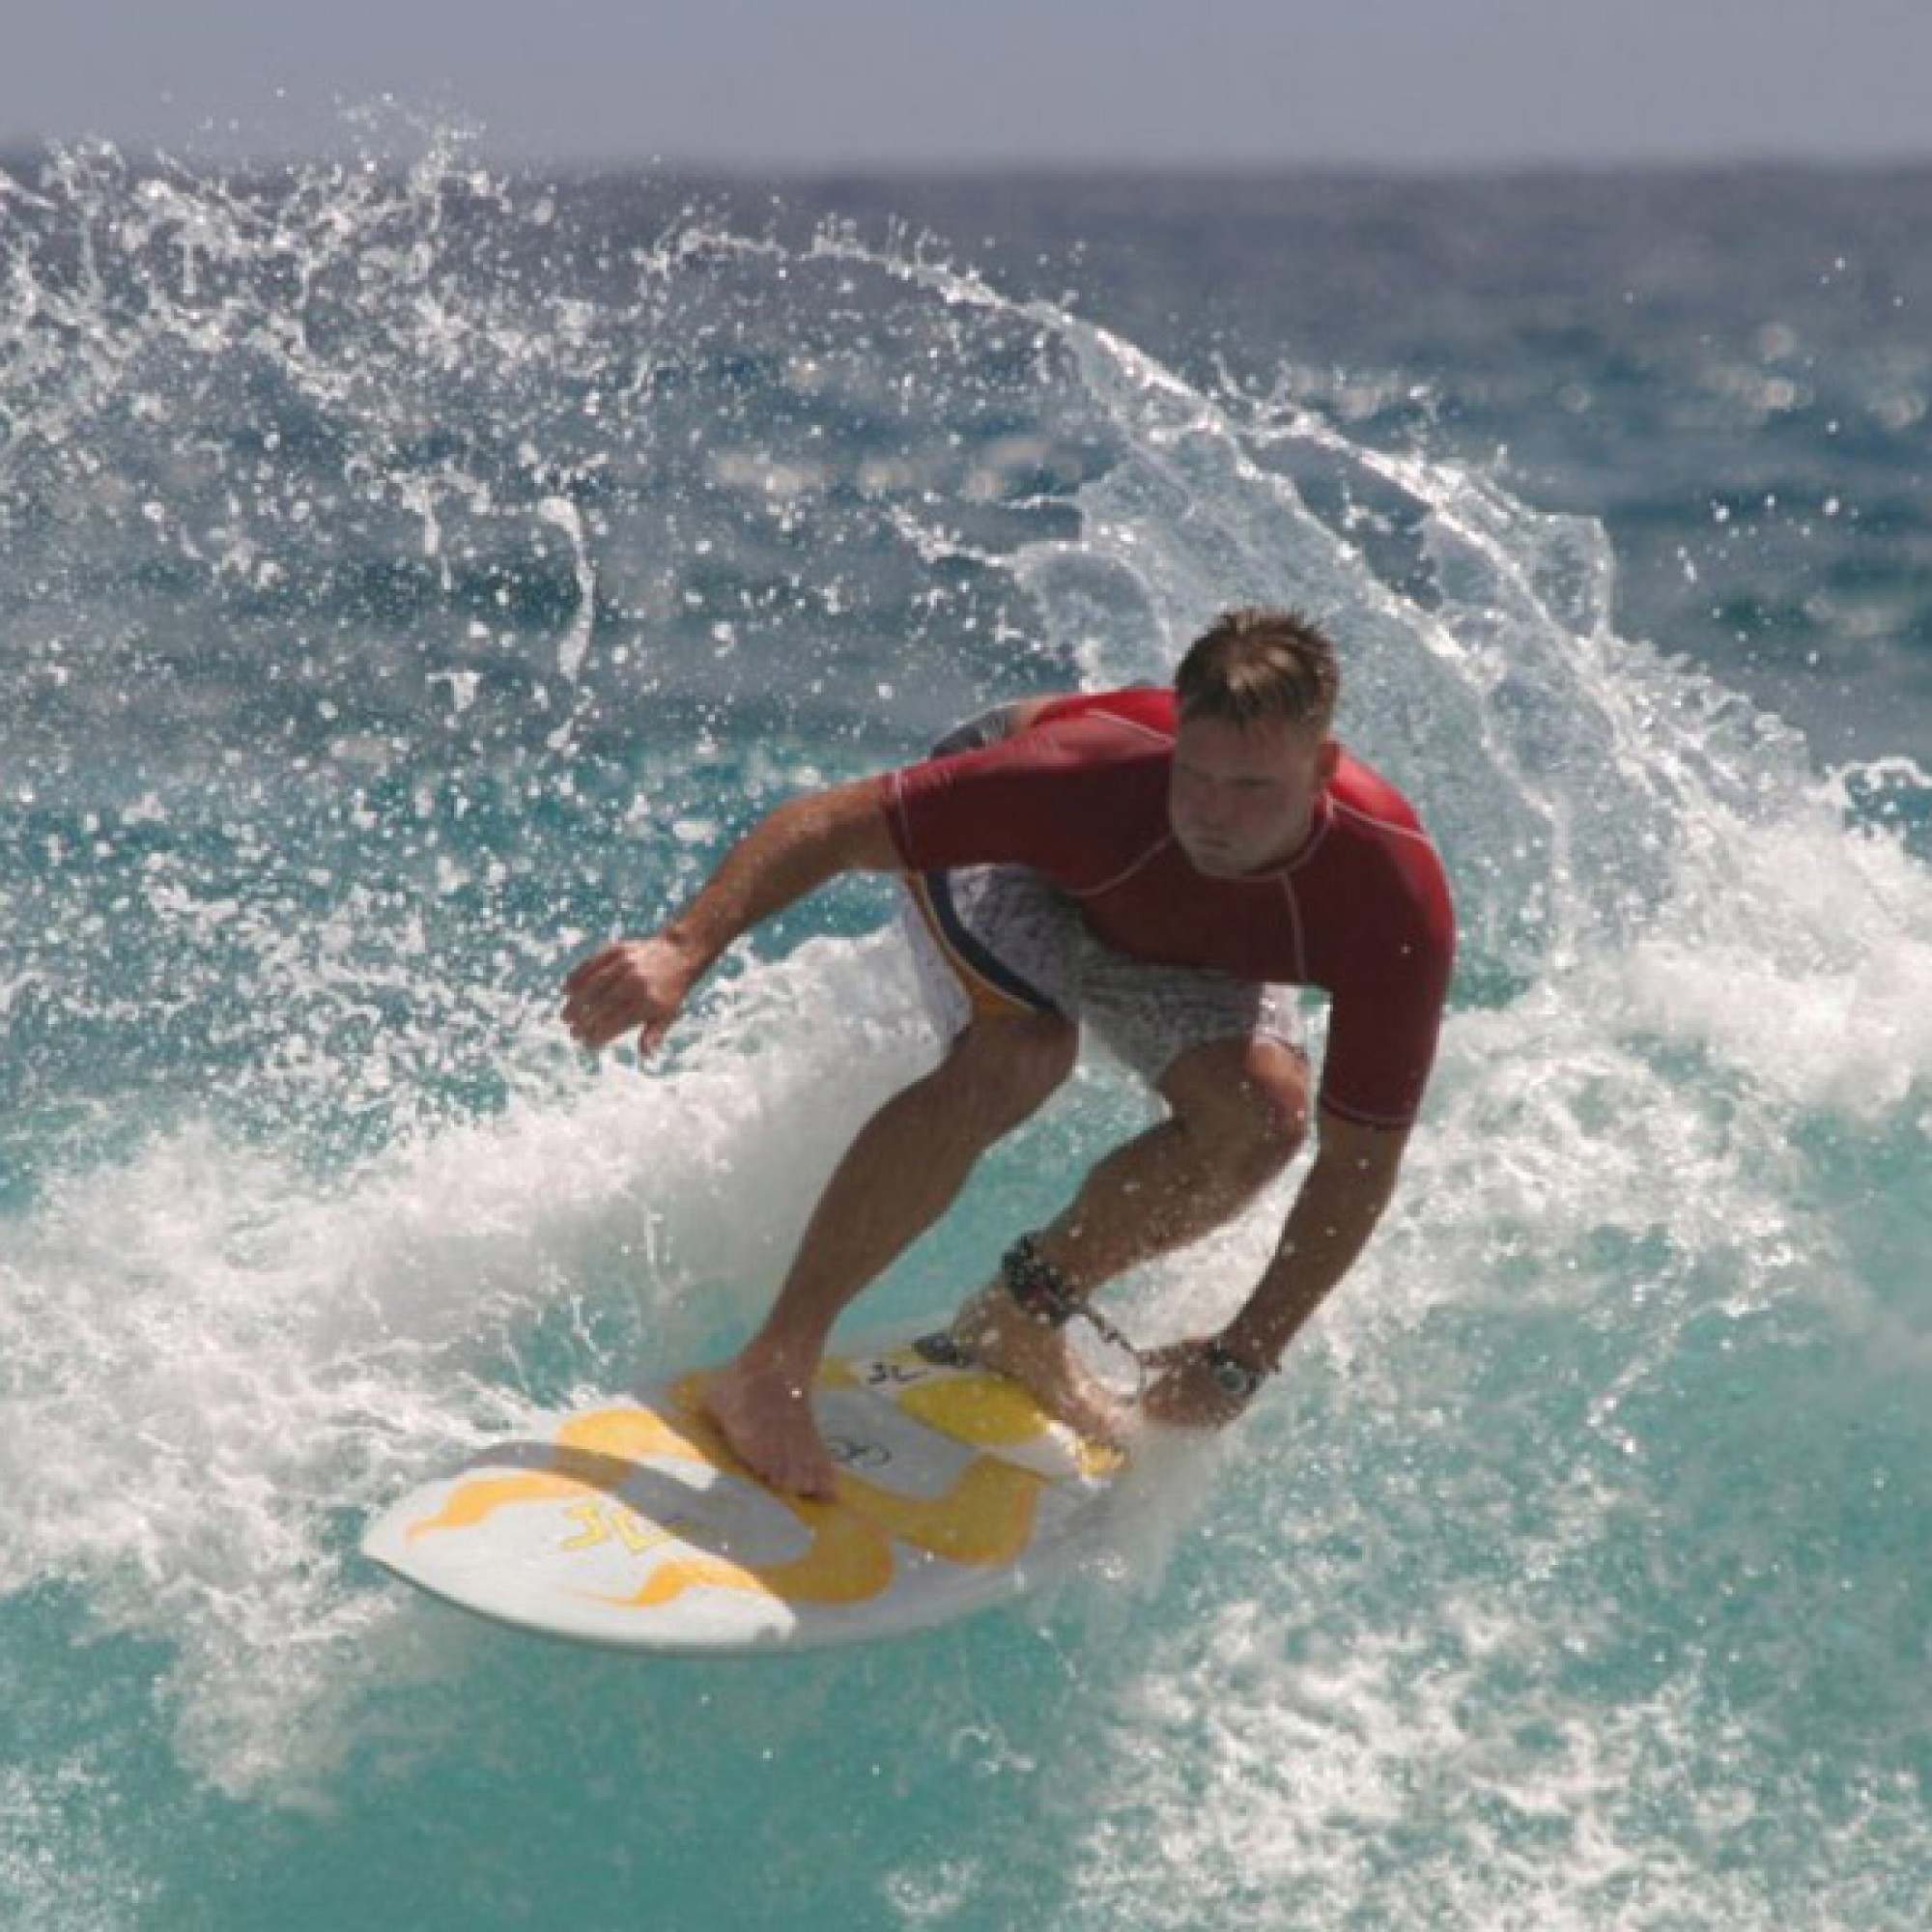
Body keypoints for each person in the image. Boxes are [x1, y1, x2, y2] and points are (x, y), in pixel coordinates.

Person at [562, 608, 1455, 1498]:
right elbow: (832, 822)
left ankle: (1019, 1320)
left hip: (1178, 938)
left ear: (1324, 769)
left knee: (1260, 1121)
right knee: (1022, 1051)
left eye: (1253, 788)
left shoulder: (1389, 898)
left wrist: (1246, 1352)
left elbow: (1358, 1164)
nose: (1211, 814)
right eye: (1196, 773)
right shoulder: (1082, 779)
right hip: (1028, 868)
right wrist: (683, 948)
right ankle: (771, 1365)